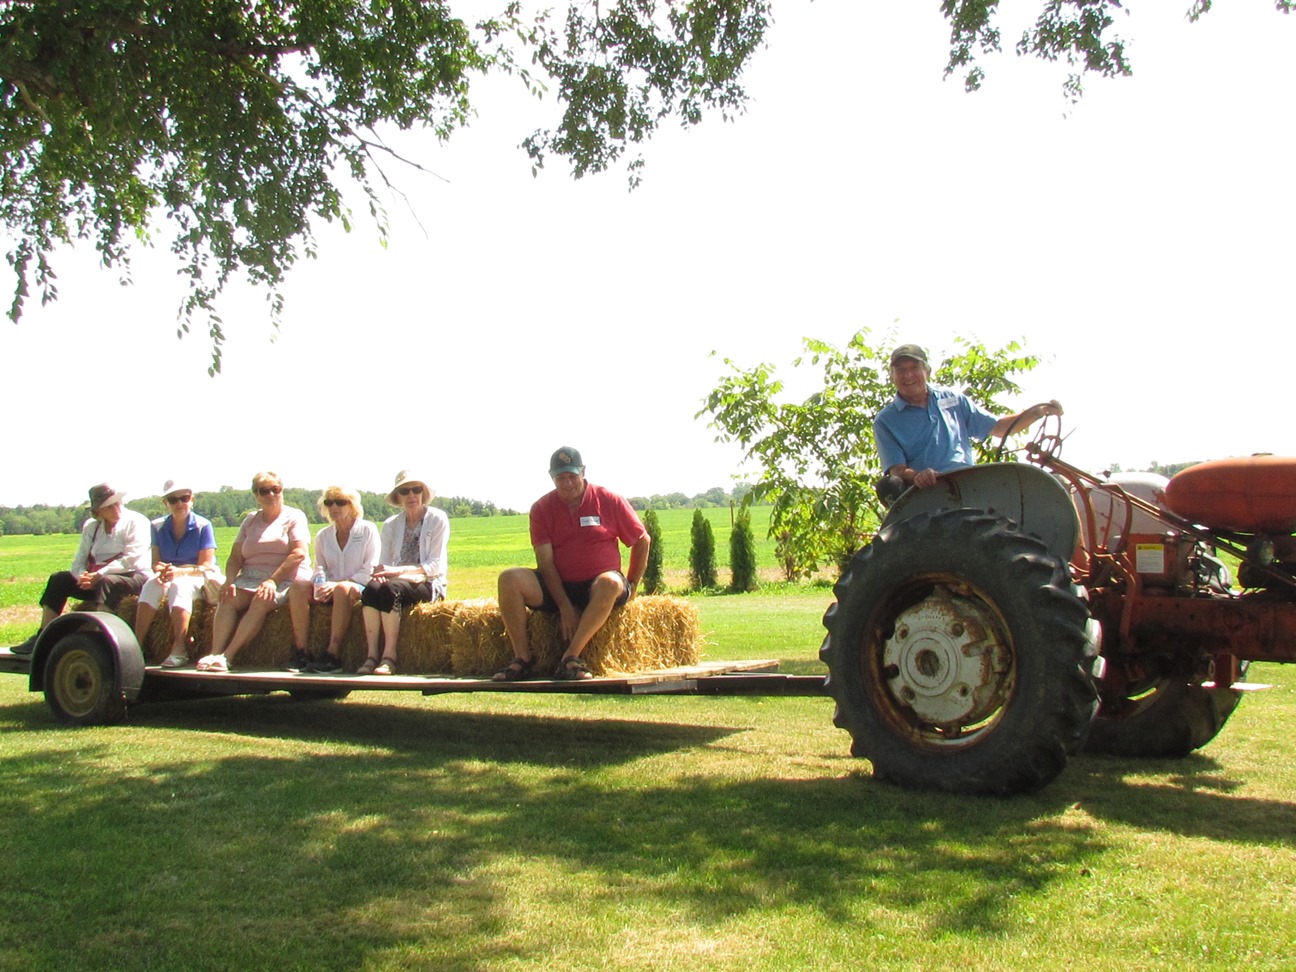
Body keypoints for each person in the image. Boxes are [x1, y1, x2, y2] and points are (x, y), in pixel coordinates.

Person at [493, 446, 650, 682]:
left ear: (583, 472)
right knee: (509, 578)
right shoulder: (541, 508)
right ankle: (522, 660)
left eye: (572, 476)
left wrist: (633, 584)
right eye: (560, 478)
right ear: (552, 477)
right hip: (559, 585)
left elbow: (642, 540)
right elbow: (546, 563)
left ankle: (571, 658)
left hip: (599, 587)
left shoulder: (609, 499)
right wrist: (565, 607)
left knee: (609, 582)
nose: (567, 483)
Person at [873, 343, 1063, 505]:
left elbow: (999, 427)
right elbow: (897, 470)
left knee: (1055, 484)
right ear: (892, 376)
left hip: (970, 482)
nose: (908, 375)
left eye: (914, 368)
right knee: (888, 485)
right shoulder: (885, 420)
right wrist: (919, 476)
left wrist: (1037, 412)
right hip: (928, 491)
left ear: (927, 371)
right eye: (901, 370)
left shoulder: (953, 399)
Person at [11, 483, 151, 655]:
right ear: (98, 511)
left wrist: (99, 575)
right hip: (96, 577)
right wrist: (81, 577)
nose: (115, 509)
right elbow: (79, 560)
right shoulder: (91, 527)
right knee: (59, 579)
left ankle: (99, 640)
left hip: (134, 576)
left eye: (117, 503)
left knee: (107, 582)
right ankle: (43, 637)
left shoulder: (137, 522)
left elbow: (131, 560)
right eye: (108, 506)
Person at [196, 472, 312, 673]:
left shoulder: (294, 517)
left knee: (261, 599)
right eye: (264, 491)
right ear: (256, 495)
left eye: (275, 489)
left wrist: (272, 581)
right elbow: (235, 557)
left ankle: (228, 656)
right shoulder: (250, 520)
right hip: (249, 577)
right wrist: (229, 580)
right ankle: (215, 652)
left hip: (283, 578)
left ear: (282, 491)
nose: (271, 494)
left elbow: (298, 553)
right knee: (228, 598)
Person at [355, 470, 449, 676]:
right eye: (405, 491)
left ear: (423, 493)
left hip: (428, 581)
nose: (411, 495)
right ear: (398, 496)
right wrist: (380, 573)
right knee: (371, 589)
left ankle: (389, 657)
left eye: (416, 489)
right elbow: (384, 563)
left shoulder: (437, 519)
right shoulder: (391, 524)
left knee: (390, 588)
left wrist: (397, 571)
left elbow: (435, 565)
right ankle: (371, 656)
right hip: (397, 580)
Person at [133, 479, 221, 668]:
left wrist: (179, 573)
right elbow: (155, 562)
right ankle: (136, 645)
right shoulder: (157, 526)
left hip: (196, 575)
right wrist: (162, 571)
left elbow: (206, 565)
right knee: (151, 584)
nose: (180, 503)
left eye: (184, 498)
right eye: (173, 499)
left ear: (192, 500)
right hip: (169, 572)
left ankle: (180, 649)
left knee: (179, 586)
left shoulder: (203, 525)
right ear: (165, 503)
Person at [305, 485, 380, 674]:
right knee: (298, 587)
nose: (334, 507)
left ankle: (333, 655)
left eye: (340, 502)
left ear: (352, 505)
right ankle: (301, 652)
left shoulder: (367, 530)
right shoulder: (323, 536)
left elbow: (370, 569)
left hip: (360, 588)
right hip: (330, 588)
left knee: (342, 589)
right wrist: (321, 584)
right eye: (329, 502)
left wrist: (338, 584)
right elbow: (319, 568)